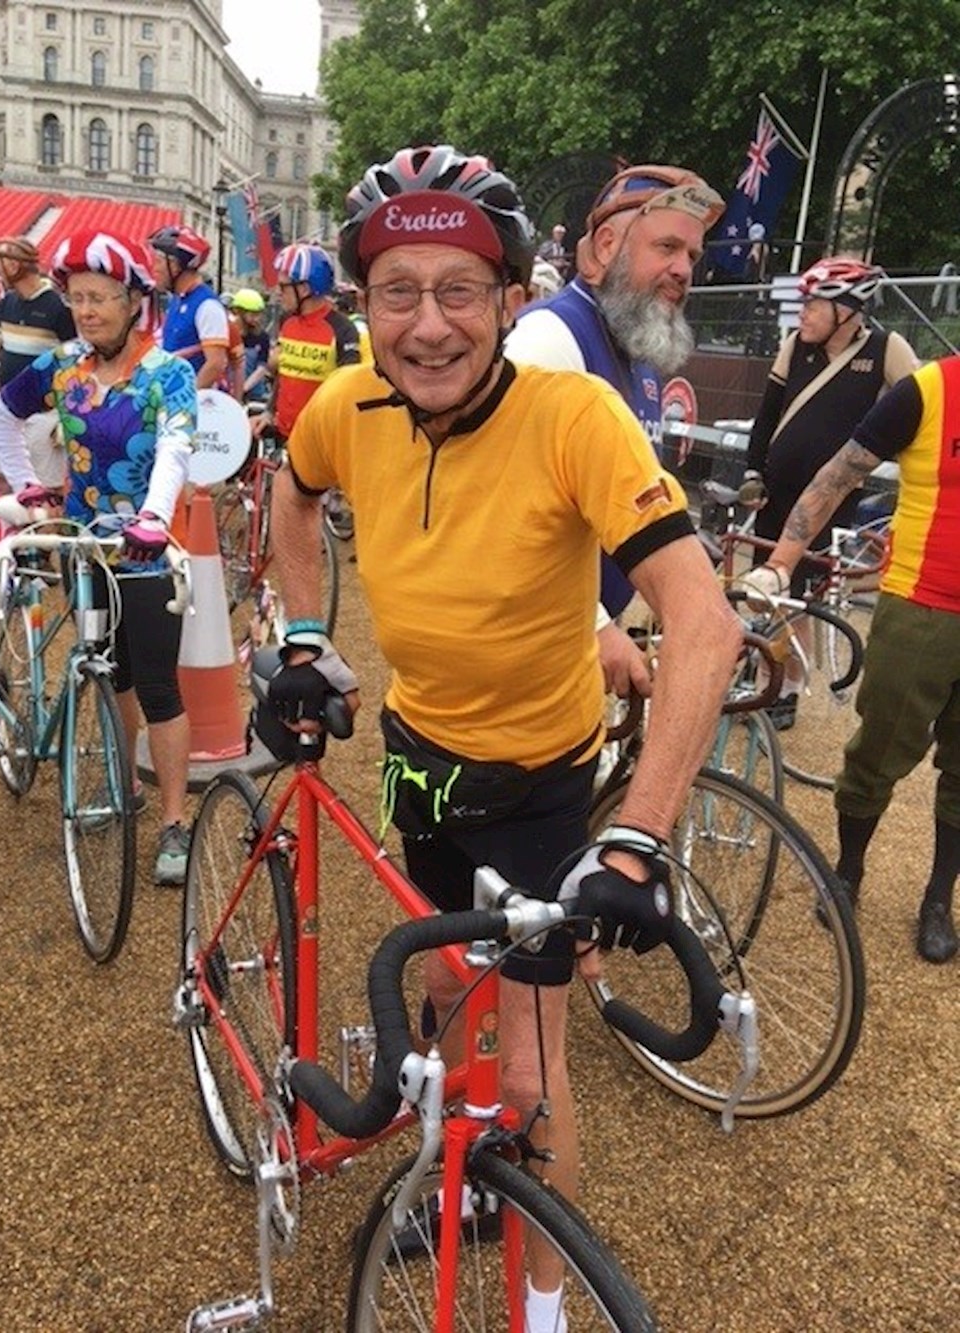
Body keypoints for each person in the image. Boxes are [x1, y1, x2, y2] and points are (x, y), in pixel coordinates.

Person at [265, 143, 742, 1323]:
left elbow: (704, 621)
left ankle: (539, 1308)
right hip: (420, 760)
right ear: (361, 306)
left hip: (538, 782)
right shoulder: (346, 403)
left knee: (529, 1071)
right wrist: (303, 639)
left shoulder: (573, 413)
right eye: (398, 292)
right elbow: (291, 489)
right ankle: (454, 1142)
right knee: (439, 974)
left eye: (460, 290)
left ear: (512, 298)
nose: (428, 326)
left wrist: (633, 842)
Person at [0, 228, 197, 887]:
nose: (86, 310)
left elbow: (176, 447)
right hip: (81, 546)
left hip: (142, 548)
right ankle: (126, 785)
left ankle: (172, 822)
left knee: (158, 686)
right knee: (113, 672)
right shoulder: (64, 366)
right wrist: (28, 485)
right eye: (77, 297)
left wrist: (156, 516)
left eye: (100, 297)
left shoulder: (168, 373)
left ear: (134, 301)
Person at [742, 352, 960, 964]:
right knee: (879, 750)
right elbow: (838, 475)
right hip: (923, 607)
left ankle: (939, 898)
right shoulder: (928, 391)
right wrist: (783, 560)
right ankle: (849, 872)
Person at [506, 163, 725, 696]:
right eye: (667, 247)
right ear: (605, 246)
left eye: (691, 256)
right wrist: (596, 626)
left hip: (575, 646)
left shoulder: (638, 352)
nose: (683, 269)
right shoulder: (551, 338)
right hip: (530, 654)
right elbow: (500, 512)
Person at [744, 256, 919, 728]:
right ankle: (762, 668)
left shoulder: (886, 349)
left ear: (847, 310)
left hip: (830, 501)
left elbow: (922, 405)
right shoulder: (794, 346)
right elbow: (766, 416)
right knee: (765, 589)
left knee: (797, 594)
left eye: (814, 304)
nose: (803, 313)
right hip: (776, 491)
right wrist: (751, 472)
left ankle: (785, 688)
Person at [0, 236, 77, 487]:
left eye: (0, 265)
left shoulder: (58, 308)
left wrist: (64, 419)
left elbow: (78, 365)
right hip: (7, 412)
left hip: (44, 418)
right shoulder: (8, 304)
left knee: (47, 493)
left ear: (14, 266)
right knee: (1, 485)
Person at [251, 243, 360, 443]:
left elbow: (348, 393)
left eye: (284, 286)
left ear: (304, 289)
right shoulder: (287, 321)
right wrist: (268, 412)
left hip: (319, 443)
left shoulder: (343, 330)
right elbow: (285, 376)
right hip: (283, 435)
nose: (277, 291)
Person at [149, 225, 230, 391]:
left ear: (176, 266)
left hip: (194, 407)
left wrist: (186, 400)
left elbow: (215, 364)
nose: (154, 268)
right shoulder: (178, 300)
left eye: (158, 262)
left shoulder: (207, 306)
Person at [230, 287, 272, 405]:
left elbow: (261, 368)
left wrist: (242, 388)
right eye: (253, 314)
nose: (257, 319)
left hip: (254, 395)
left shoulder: (262, 337)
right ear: (239, 312)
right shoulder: (228, 333)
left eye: (259, 314)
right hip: (229, 391)